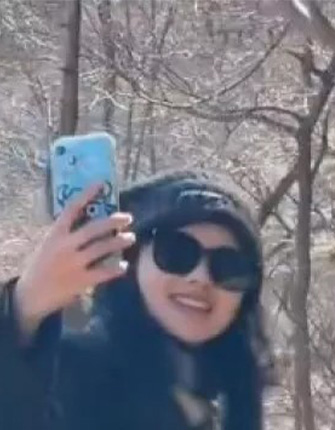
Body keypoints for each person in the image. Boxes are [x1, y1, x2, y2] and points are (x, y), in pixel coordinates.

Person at [0, 169, 271, 430]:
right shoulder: (70, 374)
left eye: (229, 267)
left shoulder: (228, 400)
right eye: (177, 253)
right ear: (133, 260)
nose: (201, 277)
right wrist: (23, 307)